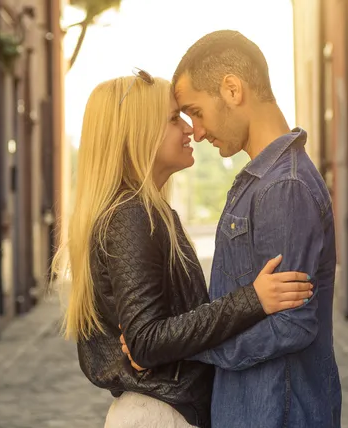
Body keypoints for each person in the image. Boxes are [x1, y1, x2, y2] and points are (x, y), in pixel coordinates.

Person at [51, 69, 313, 428]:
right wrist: (252, 299)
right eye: (174, 119)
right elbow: (145, 341)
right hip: (159, 414)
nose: (189, 129)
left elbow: (151, 336)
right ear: (137, 134)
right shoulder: (131, 216)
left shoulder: (147, 212)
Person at [123, 30, 342, 427]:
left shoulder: (283, 187)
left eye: (197, 112)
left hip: (276, 413)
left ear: (232, 89)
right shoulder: (260, 183)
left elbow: (292, 325)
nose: (198, 132)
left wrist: (184, 350)